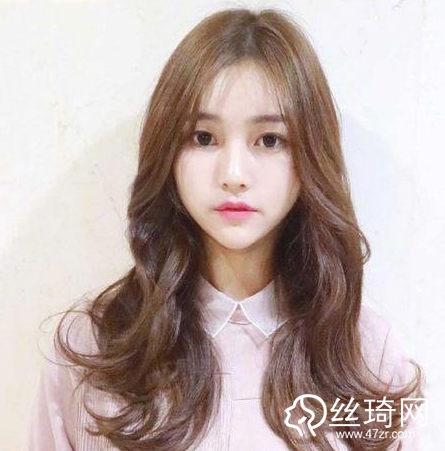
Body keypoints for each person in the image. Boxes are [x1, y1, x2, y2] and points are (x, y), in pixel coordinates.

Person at [27, 7, 425, 451]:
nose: (234, 174)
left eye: (269, 140)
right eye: (203, 138)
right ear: (167, 152)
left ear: (311, 154)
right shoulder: (93, 351)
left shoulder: (365, 356)